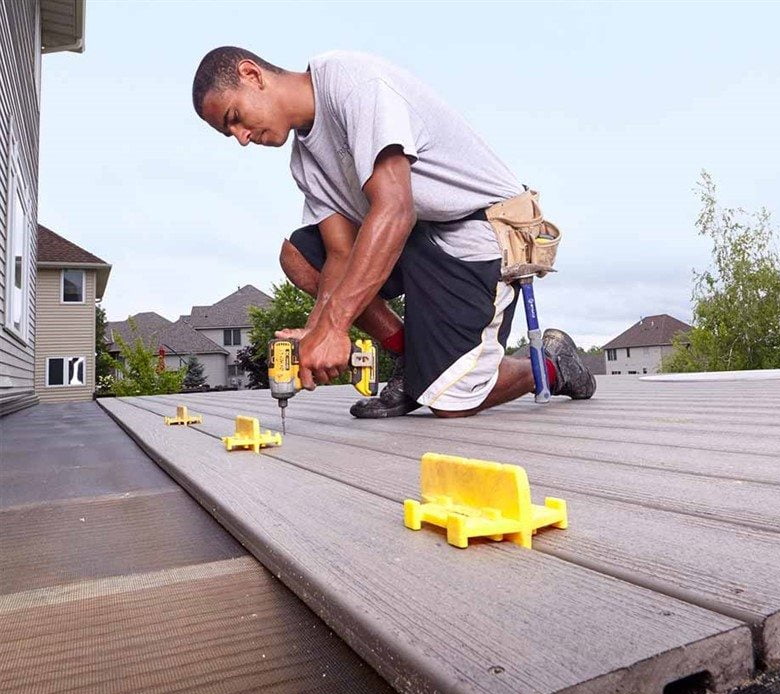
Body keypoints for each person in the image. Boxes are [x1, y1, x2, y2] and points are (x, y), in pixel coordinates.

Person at [192, 48, 595, 418]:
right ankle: (411, 358)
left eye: (234, 118)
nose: (242, 138)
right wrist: (317, 330)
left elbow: (395, 210)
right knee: (299, 255)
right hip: (417, 237)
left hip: (478, 231)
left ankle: (551, 364)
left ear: (251, 74)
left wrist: (334, 327)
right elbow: (339, 254)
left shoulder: (354, 84)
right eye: (231, 134)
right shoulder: (304, 161)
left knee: (450, 404)